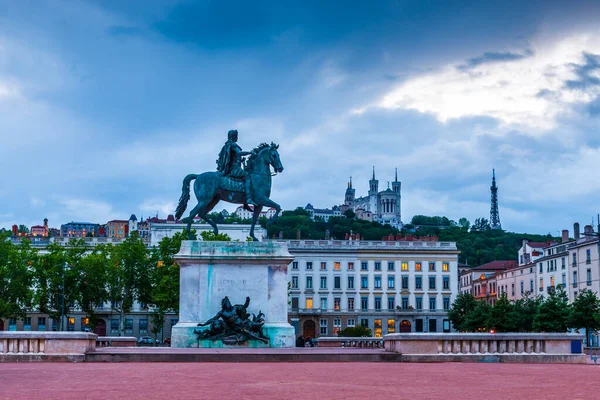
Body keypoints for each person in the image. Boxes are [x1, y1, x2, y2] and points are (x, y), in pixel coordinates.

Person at [216, 129, 256, 206]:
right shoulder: (233, 145)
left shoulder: (227, 145)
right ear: (234, 136)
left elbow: (231, 158)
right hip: (234, 169)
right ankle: (248, 198)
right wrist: (250, 152)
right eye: (236, 136)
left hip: (230, 167)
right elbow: (239, 153)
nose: (237, 138)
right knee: (248, 177)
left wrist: (240, 161)